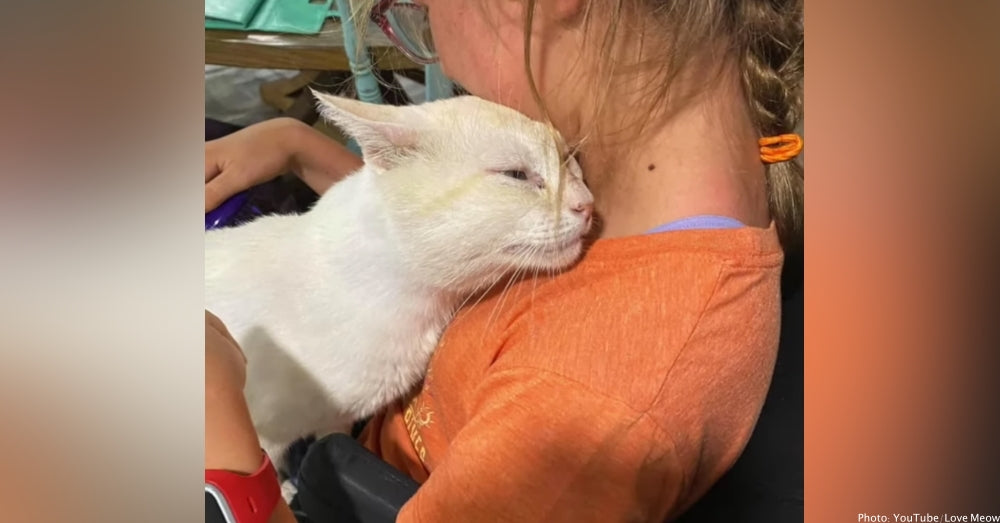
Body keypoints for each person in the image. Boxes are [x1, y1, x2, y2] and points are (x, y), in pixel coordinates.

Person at [205, 0, 803, 520]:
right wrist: (295, 143)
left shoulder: (590, 404)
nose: (433, 43)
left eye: (419, 14)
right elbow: (459, 222)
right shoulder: (617, 172)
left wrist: (226, 455)